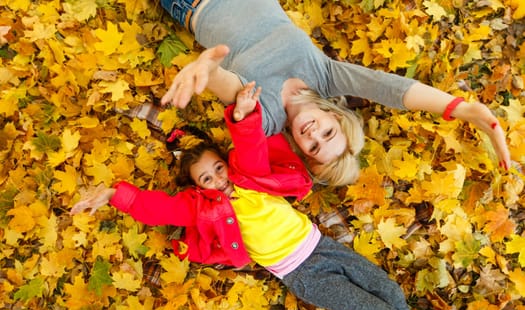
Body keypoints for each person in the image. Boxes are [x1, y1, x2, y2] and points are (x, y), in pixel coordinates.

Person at [71, 83, 500, 310]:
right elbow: (157, 208)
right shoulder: (201, 207)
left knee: (387, 289)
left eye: (218, 168)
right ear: (197, 186)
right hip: (303, 274)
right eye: (207, 178)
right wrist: (113, 194)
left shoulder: (247, 176)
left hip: (322, 245)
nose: (218, 179)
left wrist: (243, 114)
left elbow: (251, 147)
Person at [158, 0, 511, 186]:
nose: (314, 134)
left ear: (302, 150)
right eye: (328, 133)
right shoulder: (326, 77)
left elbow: (232, 89)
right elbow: (391, 89)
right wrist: (460, 109)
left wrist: (208, 69)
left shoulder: (266, 117)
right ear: (335, 117)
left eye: (313, 146)